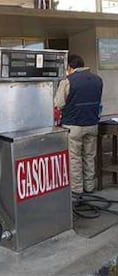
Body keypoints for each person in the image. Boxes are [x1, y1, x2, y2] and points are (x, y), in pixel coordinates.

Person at [54, 54, 103, 194]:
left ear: (69, 67)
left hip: (73, 125)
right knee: (89, 156)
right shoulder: (98, 79)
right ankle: (89, 187)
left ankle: (77, 190)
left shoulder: (67, 81)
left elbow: (58, 103)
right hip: (92, 124)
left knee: (75, 158)